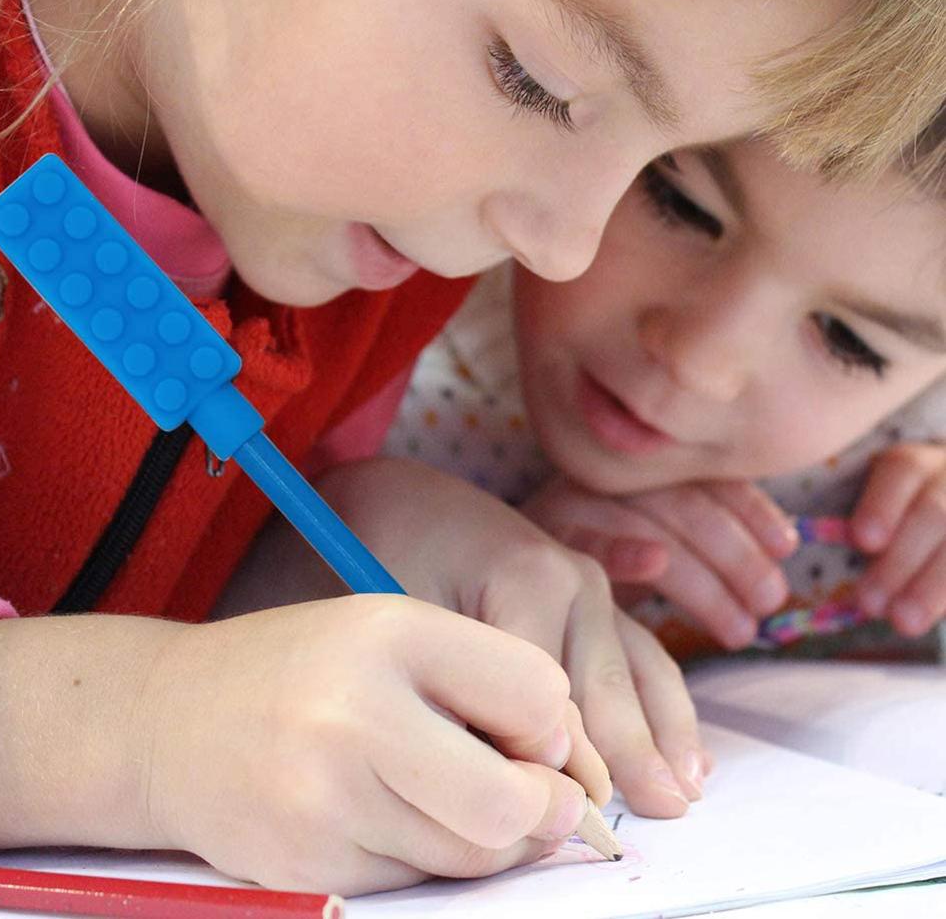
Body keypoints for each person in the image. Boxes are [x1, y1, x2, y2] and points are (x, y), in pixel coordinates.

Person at [0, 0, 944, 897]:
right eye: (537, 82)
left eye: (652, 166)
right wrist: (143, 734)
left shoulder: (379, 253)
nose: (564, 250)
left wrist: (310, 559)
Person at [381, 133, 946, 666]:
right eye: (681, 205)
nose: (697, 364)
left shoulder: (913, 443)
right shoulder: (382, 320)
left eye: (848, 342)